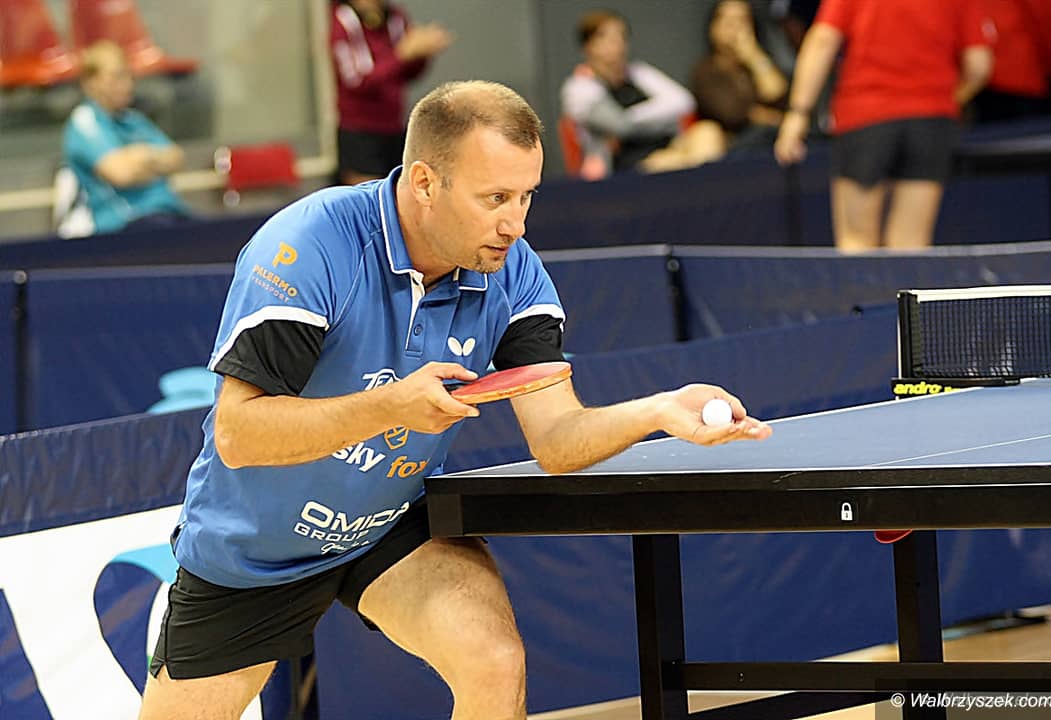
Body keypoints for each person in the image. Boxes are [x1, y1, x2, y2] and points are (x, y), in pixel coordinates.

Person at [138, 80, 771, 720]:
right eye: (495, 198)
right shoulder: (312, 247)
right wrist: (389, 408)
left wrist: (657, 411)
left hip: (384, 525)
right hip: (254, 550)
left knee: (493, 660)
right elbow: (239, 435)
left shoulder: (511, 270)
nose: (515, 225)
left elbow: (556, 440)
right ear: (424, 182)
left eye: (526, 196)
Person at [774, 0, 995, 252]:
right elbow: (979, 65)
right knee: (911, 243)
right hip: (930, 121)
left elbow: (823, 40)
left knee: (857, 243)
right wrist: (947, 98)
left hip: (865, 117)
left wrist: (798, 113)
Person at [560, 9, 725, 179]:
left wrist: (635, 117)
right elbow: (621, 126)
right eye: (605, 37)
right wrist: (662, 117)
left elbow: (684, 102)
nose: (616, 44)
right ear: (588, 46)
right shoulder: (579, 89)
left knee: (708, 132)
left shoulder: (640, 73)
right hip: (624, 167)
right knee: (673, 163)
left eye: (621, 36)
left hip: (669, 148)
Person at [62, 40, 190, 235]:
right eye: (116, 77)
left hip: (170, 214)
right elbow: (121, 173)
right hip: (124, 227)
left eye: (129, 76)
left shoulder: (133, 119)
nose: (127, 85)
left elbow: (177, 159)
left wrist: (141, 156)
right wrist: (154, 160)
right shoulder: (84, 121)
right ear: (90, 82)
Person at [330, 0, 451, 184]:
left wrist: (421, 53)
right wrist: (402, 55)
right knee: (366, 195)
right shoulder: (344, 20)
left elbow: (406, 74)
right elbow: (356, 81)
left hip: (394, 126)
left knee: (399, 190)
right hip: (360, 131)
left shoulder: (396, 17)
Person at [691, 0, 790, 151]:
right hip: (731, 146)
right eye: (727, 20)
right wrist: (764, 116)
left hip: (771, 142)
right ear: (713, 28)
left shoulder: (758, 62)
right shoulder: (706, 70)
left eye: (742, 20)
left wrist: (754, 56)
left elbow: (777, 93)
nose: (734, 27)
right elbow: (732, 114)